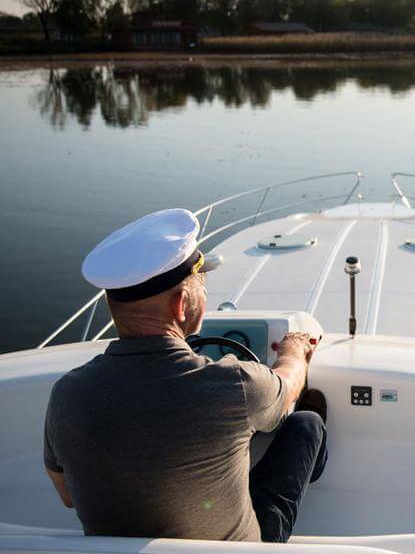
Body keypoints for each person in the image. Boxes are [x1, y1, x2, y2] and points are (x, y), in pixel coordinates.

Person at [43, 208, 327, 543]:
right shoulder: (235, 385)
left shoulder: (67, 394)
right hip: (235, 550)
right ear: (181, 304)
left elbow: (68, 496)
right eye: (202, 286)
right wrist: (293, 351)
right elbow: (289, 388)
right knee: (306, 421)